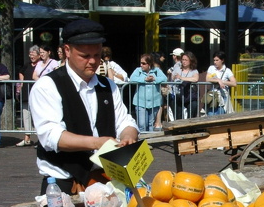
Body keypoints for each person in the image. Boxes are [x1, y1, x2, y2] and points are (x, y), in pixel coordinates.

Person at [29, 18, 138, 195]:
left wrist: (128, 136)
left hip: (104, 182)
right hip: (63, 184)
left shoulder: (108, 86)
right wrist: (97, 142)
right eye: (85, 56)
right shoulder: (47, 86)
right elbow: (52, 137)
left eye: (97, 55)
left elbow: (125, 121)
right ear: (67, 51)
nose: (93, 61)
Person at [130, 53, 167, 131]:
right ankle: (142, 141)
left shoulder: (156, 70)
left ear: (149, 64)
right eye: (140, 63)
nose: (141, 65)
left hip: (154, 102)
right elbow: (132, 79)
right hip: (140, 102)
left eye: (143, 63)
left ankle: (149, 141)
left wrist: (154, 79)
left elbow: (164, 78)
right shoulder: (138, 70)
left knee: (151, 124)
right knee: (142, 124)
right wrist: (145, 79)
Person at [15, 45, 40, 147]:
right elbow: (21, 72)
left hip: (37, 94)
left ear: (39, 55)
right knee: (26, 115)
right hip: (26, 92)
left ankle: (40, 139)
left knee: (38, 117)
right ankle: (27, 138)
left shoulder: (41, 65)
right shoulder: (27, 64)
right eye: (30, 54)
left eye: (33, 54)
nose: (31, 56)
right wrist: (21, 83)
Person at [205, 50, 237, 116]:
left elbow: (234, 83)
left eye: (217, 60)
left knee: (221, 116)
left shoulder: (227, 71)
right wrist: (218, 80)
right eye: (214, 60)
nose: (215, 62)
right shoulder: (211, 68)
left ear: (222, 60)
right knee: (210, 115)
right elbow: (207, 79)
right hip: (212, 96)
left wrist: (223, 82)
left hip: (223, 96)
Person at [175, 51, 200, 119]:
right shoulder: (177, 69)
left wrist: (182, 78)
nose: (184, 62)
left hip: (190, 96)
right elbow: (173, 78)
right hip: (179, 95)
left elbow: (195, 79)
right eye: (183, 59)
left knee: (192, 111)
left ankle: (190, 128)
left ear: (190, 61)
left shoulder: (194, 71)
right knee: (178, 116)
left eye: (186, 60)